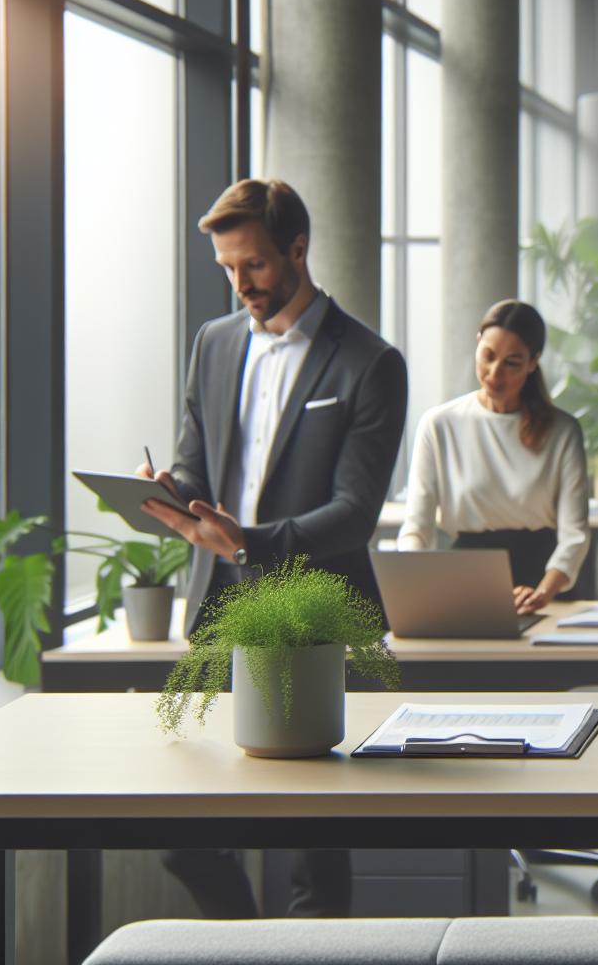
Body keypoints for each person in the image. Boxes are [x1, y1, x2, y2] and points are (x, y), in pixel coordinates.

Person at [140, 178, 408, 919]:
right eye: (228, 268)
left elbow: (354, 514)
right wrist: (168, 488)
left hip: (314, 610)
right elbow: (201, 464)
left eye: (253, 265)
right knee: (183, 831)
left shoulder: (369, 361)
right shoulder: (215, 342)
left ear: (297, 249)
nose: (240, 284)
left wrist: (250, 542)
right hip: (219, 605)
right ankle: (250, 944)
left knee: (313, 843)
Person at [396, 299, 590, 610]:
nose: (494, 373)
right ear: (477, 344)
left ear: (533, 362)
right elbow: (417, 528)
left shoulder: (562, 431)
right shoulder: (439, 424)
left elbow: (575, 535)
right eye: (488, 356)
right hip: (462, 580)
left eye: (512, 363)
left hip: (544, 582)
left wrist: (543, 592)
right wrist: (411, 583)